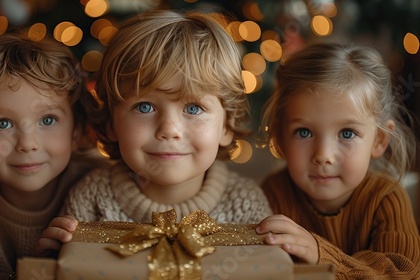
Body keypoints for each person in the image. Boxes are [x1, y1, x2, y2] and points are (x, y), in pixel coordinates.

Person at [35, 9, 273, 255]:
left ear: (226, 126)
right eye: (144, 107)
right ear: (111, 123)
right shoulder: (91, 199)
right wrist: (50, 259)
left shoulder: (246, 203)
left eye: (193, 108)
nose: (169, 130)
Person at [0, 31, 108, 279]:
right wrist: (35, 270)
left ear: (75, 132)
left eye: (48, 120)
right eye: (3, 124)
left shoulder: (100, 183)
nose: (27, 144)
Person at [255, 42, 420, 278]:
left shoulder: (386, 199)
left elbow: (402, 273)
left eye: (347, 133)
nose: (323, 155)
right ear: (280, 138)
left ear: (379, 141)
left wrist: (320, 254)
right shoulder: (273, 193)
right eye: (304, 132)